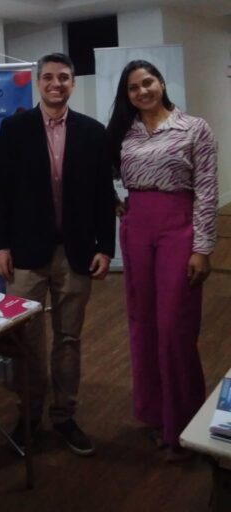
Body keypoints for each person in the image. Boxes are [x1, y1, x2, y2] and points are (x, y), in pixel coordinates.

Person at [0, 53, 115, 456]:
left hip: (76, 253)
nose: (55, 83)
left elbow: (103, 195)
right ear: (37, 82)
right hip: (25, 254)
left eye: (63, 77)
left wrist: (106, 247)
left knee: (69, 339)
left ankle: (64, 416)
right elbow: (0, 190)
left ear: (72, 83)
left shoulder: (93, 132)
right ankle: (29, 416)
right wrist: (0, 245)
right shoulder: (15, 129)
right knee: (26, 341)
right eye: (48, 77)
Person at [106, 60, 217, 462]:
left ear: (162, 82)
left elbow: (207, 190)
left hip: (178, 229)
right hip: (137, 229)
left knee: (174, 327)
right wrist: (113, 200)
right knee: (143, 324)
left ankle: (184, 424)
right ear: (128, 95)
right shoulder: (124, 132)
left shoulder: (194, 128)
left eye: (147, 82)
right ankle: (156, 416)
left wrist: (202, 248)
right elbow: (93, 170)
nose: (142, 91)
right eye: (133, 87)